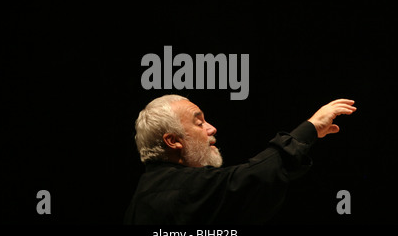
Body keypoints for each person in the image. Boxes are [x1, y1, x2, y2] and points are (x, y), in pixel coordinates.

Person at [124, 94, 356, 224]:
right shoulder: (181, 189)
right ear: (173, 141)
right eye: (199, 122)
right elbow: (252, 178)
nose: (212, 128)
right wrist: (311, 128)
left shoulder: (144, 196)